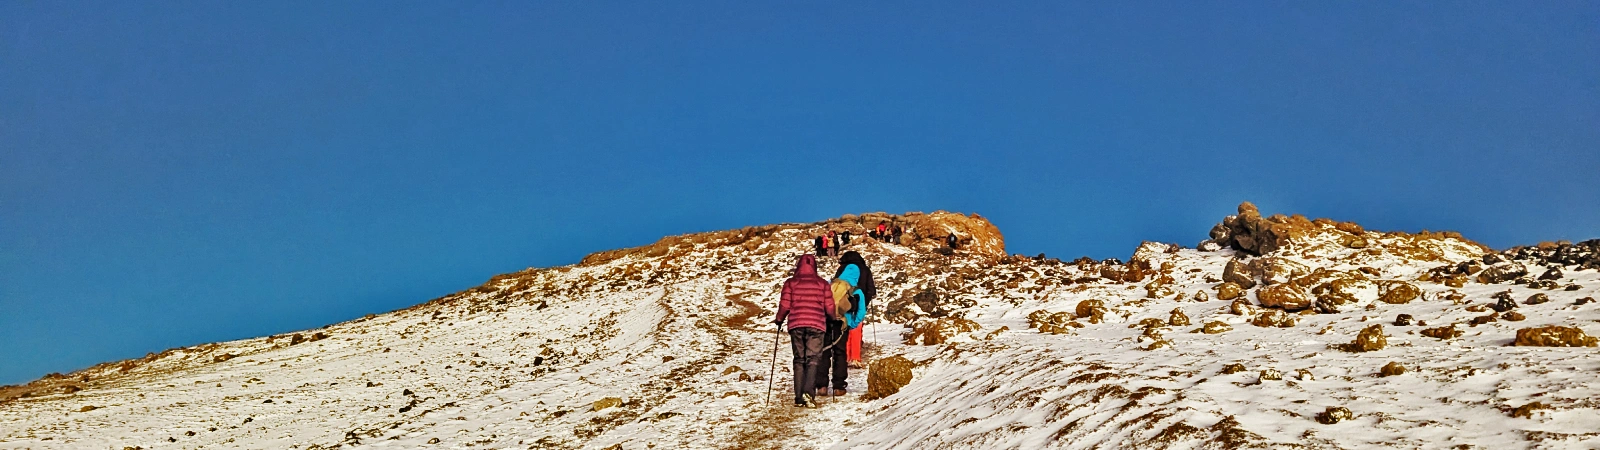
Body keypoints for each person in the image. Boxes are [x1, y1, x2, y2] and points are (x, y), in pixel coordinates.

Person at [774, 254, 835, 408]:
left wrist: (779, 319)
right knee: (813, 359)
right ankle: (808, 392)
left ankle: (799, 396)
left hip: (796, 325)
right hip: (816, 324)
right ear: (814, 267)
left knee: (799, 359)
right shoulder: (822, 284)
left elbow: (785, 305)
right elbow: (829, 306)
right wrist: (833, 319)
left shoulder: (790, 283)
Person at [834, 251, 875, 369]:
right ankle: (855, 357)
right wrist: (864, 303)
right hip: (859, 303)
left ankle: (845, 357)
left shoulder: (842, 269)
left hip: (842, 306)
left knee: (844, 330)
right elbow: (871, 290)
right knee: (856, 330)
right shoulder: (865, 269)